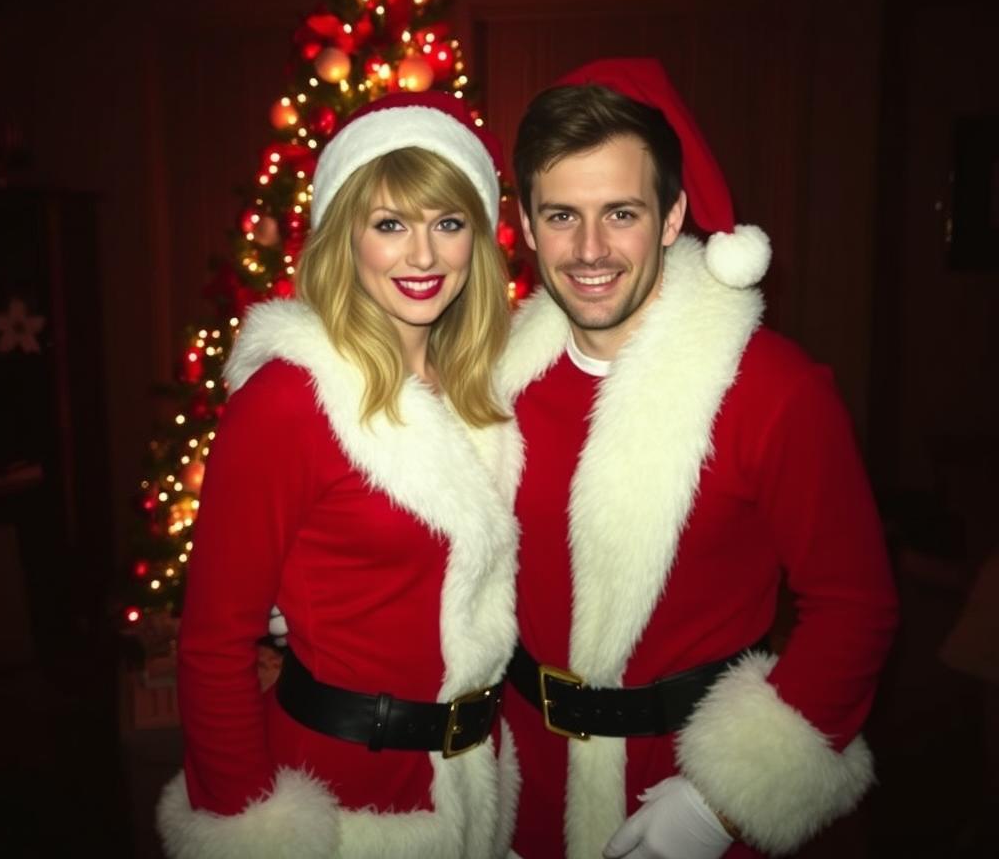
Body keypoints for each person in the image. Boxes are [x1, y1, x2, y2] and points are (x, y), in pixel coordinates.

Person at [497, 58, 899, 859]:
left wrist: (719, 803)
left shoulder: (773, 389)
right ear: (528, 224)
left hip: (682, 794)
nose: (588, 250)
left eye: (620, 213)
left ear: (673, 215)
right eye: (562, 216)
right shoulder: (494, 377)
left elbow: (855, 608)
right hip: (515, 789)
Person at [157, 91, 522, 859]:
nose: (422, 257)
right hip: (341, 807)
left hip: (475, 791)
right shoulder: (289, 400)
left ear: (479, 239)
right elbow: (213, 645)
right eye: (390, 225)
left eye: (447, 224)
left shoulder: (487, 388)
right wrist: (249, 828)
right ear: (344, 239)